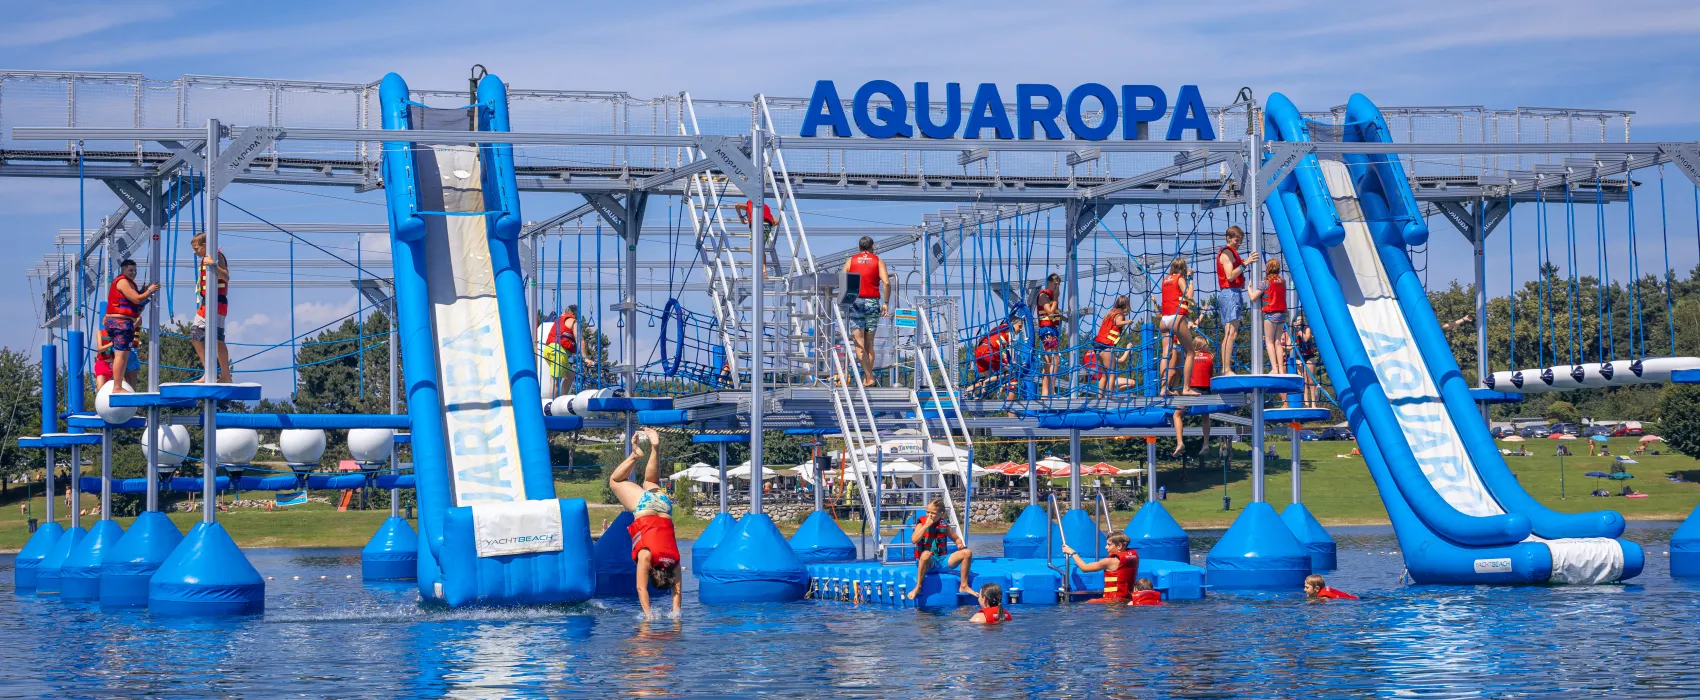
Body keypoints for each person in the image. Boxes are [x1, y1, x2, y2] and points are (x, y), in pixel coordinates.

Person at [608, 427, 683, 619]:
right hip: (645, 509)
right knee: (615, 480)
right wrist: (649, 616)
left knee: (650, 482)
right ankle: (635, 455)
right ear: (653, 573)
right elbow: (641, 589)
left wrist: (676, 613)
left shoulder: (674, 561)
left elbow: (678, 593)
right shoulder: (647, 556)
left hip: (665, 507)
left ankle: (655, 448)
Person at [842, 236, 892, 387]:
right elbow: (887, 282)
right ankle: (867, 378)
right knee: (870, 344)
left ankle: (868, 377)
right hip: (872, 302)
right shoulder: (878, 261)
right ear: (873, 247)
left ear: (858, 248)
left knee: (859, 344)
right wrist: (886, 303)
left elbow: (843, 279)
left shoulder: (851, 261)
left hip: (855, 301)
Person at [103, 259, 157, 394]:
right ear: (123, 270)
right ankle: (117, 387)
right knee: (121, 356)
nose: (133, 273)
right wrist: (150, 290)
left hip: (122, 323)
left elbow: (136, 301)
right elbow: (137, 299)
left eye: (135, 271)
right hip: (119, 323)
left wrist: (144, 292)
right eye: (130, 270)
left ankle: (118, 385)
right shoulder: (122, 281)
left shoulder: (127, 283)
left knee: (124, 356)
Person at [907, 499, 975, 600]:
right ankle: (918, 587)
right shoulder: (921, 523)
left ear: (941, 513)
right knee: (925, 554)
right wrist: (926, 525)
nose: (929, 515)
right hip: (927, 563)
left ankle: (964, 586)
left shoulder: (943, 524)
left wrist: (959, 544)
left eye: (933, 513)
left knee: (967, 553)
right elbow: (914, 540)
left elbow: (956, 539)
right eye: (927, 512)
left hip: (942, 561)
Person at [1216, 226, 1258, 375]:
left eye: (1240, 241)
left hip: (1234, 293)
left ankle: (1225, 368)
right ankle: (1226, 368)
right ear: (1229, 238)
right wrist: (1245, 263)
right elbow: (1230, 276)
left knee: (1231, 332)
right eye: (1236, 240)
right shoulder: (1227, 253)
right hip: (1230, 293)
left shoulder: (1232, 253)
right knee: (1230, 333)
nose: (1239, 243)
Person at [189, 234, 232, 383]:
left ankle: (226, 376)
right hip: (206, 302)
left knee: (217, 339)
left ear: (205, 244)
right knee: (195, 334)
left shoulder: (217, 256)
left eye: (197, 248)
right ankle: (209, 371)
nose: (195, 252)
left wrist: (213, 265)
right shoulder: (204, 259)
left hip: (217, 303)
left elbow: (226, 277)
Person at [1153, 258, 1197, 396]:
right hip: (1176, 319)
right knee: (1190, 352)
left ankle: (1163, 387)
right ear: (1183, 268)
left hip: (1164, 320)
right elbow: (1189, 296)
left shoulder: (1165, 280)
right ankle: (1186, 388)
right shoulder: (1179, 279)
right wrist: (1190, 279)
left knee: (1166, 353)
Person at [1171, 336, 1216, 456]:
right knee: (1205, 416)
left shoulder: (1189, 356)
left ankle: (1180, 442)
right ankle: (1205, 443)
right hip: (1206, 390)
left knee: (1177, 415)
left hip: (1193, 389)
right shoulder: (1210, 357)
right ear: (1202, 347)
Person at [1063, 533, 1139, 603]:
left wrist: (1072, 553)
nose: (1106, 547)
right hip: (1128, 599)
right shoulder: (1134, 557)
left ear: (1119, 546)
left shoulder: (1109, 562)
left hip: (1113, 601)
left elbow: (1084, 568)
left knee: (1084, 605)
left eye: (1109, 545)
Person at [1247, 257, 1288, 375]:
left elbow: (1254, 297)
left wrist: (1249, 289)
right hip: (1282, 314)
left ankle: (1274, 368)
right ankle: (1280, 369)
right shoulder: (1283, 281)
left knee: (1269, 341)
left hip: (1271, 314)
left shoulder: (1265, 283)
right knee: (1278, 341)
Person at [969, 315, 1023, 399]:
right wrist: (1014, 363)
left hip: (979, 351)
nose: (1021, 329)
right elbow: (1009, 352)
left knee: (987, 375)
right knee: (1011, 373)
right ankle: (986, 383)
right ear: (1013, 323)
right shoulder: (1009, 331)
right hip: (989, 352)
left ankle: (970, 390)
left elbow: (981, 340)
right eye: (1019, 326)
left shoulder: (999, 328)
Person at [1093, 295, 1136, 394]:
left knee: (1104, 375)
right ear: (1126, 305)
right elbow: (1117, 322)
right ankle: (1110, 397)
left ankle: (1100, 397)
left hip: (1097, 346)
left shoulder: (1110, 313)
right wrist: (1127, 322)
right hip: (1106, 346)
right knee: (1112, 374)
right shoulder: (1119, 314)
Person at [544, 305, 587, 396]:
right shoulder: (573, 321)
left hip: (549, 350)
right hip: (558, 353)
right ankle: (553, 405)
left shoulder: (559, 320)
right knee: (555, 381)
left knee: (570, 376)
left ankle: (562, 399)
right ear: (573, 313)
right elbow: (580, 339)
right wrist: (585, 358)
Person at [1035, 287, 1062, 397]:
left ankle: (1046, 392)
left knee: (1048, 360)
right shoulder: (1046, 297)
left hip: (1049, 330)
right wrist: (1055, 299)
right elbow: (1050, 313)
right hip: (1048, 331)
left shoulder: (1048, 298)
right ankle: (1051, 391)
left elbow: (1054, 316)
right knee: (1055, 359)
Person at [1292, 315, 1320, 407]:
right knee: (1303, 380)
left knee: (1310, 380)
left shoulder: (1306, 329)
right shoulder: (1293, 331)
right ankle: (1306, 402)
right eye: (1298, 320)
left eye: (1301, 319)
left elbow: (1305, 338)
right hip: (1299, 357)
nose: (1300, 321)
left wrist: (1299, 330)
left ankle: (1313, 403)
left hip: (1309, 356)